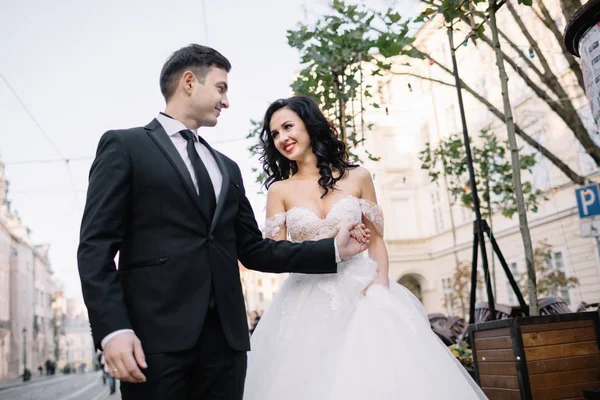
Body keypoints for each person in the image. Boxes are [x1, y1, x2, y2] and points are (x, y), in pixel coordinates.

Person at [77, 44, 370, 400]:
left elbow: (254, 250)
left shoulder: (226, 167)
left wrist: (331, 250)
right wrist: (113, 329)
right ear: (189, 82)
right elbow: (96, 247)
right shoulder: (125, 146)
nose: (226, 101)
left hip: (227, 344)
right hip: (155, 339)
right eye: (220, 87)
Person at [243, 95, 488, 399]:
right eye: (275, 134)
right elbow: (276, 255)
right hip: (305, 298)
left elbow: (377, 241)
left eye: (288, 126)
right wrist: (330, 246)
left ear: (309, 124)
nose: (282, 138)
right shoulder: (279, 190)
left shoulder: (358, 177)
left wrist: (380, 285)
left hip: (363, 291)